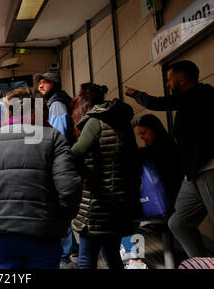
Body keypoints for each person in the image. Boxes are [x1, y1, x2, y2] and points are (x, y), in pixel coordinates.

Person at [0, 87, 82, 269]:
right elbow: (69, 189)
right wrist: (61, 221)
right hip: (43, 234)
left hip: (0, 234)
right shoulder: (54, 138)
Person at [125, 60, 214, 258]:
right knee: (178, 223)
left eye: (169, 79)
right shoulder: (189, 102)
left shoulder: (200, 94)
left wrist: (135, 94)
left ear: (182, 80)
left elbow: (158, 103)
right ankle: (201, 263)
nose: (167, 84)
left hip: (208, 168)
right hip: (193, 173)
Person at [70, 84, 142, 269]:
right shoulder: (122, 123)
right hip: (120, 203)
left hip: (97, 205)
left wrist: (84, 175)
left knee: (86, 258)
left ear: (86, 109)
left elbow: (75, 155)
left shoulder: (94, 122)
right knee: (112, 255)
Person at [120, 114, 184, 269]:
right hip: (174, 204)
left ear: (155, 129)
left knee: (123, 217)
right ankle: (133, 256)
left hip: (165, 206)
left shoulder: (155, 154)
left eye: (143, 133)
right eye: (138, 135)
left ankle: (134, 259)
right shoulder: (173, 149)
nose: (141, 138)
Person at [35, 72, 78, 267]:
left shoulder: (57, 104)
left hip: (60, 163)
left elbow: (58, 136)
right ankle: (72, 249)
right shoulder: (54, 102)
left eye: (45, 82)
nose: (41, 85)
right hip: (62, 162)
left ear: (55, 84)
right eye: (40, 83)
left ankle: (66, 253)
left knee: (58, 208)